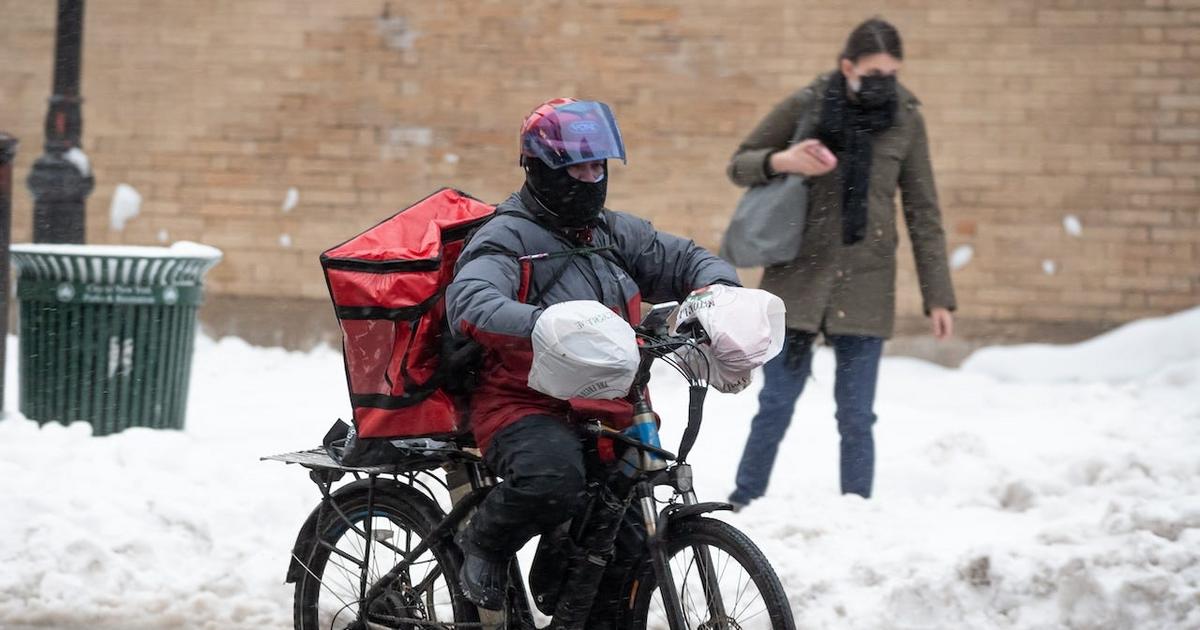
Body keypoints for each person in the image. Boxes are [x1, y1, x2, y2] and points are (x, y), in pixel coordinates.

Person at [445, 98, 741, 610]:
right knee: (552, 478)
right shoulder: (505, 236)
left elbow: (686, 258)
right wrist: (544, 324)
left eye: (598, 166)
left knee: (627, 537)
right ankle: (484, 542)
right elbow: (471, 301)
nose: (590, 178)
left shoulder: (612, 232)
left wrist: (718, 296)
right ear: (540, 169)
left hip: (611, 402)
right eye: (576, 167)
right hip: (524, 402)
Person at [725, 18, 956, 505]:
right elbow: (741, 162)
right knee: (775, 403)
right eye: (873, 72)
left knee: (856, 415)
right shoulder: (808, 105)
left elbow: (923, 210)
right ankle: (743, 504)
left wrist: (939, 296)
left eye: (892, 73)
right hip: (799, 276)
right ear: (847, 66)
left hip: (867, 281)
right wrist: (784, 161)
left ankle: (856, 514)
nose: (883, 83)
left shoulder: (906, 119)